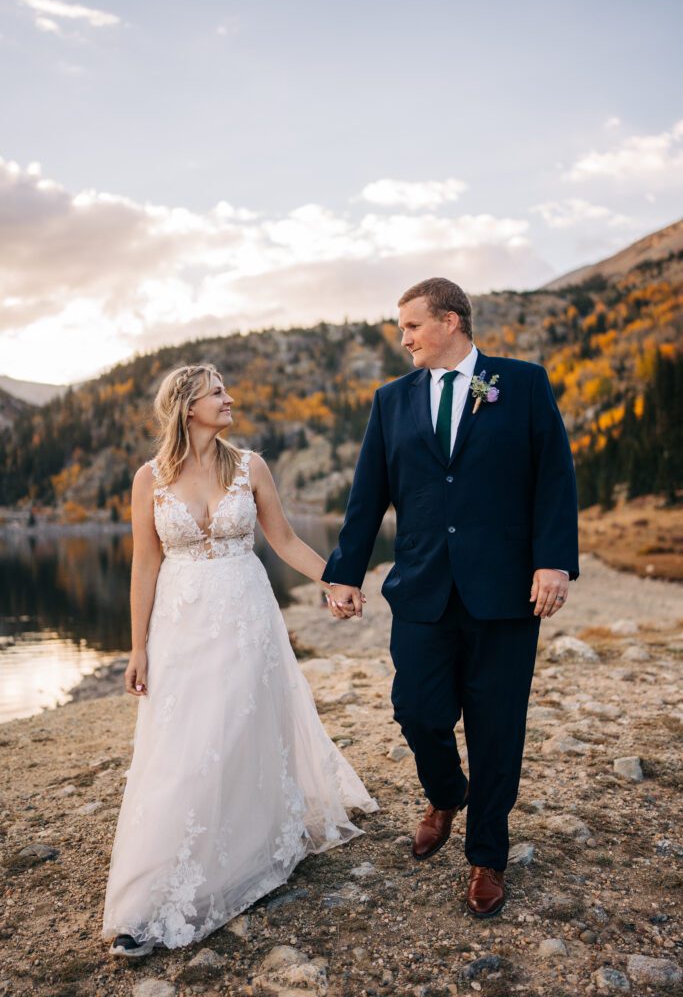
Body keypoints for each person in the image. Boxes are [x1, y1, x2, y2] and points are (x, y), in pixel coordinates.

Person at [324, 278, 579, 918]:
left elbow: (554, 476)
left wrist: (554, 561)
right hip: (421, 585)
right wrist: (344, 573)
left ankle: (486, 856)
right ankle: (445, 791)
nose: (403, 338)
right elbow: (367, 497)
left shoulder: (520, 383)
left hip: (505, 590)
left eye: (411, 325)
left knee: (498, 728)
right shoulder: (391, 401)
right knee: (416, 708)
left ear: (452, 320)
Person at [103, 364, 377, 957]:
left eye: (226, 390)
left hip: (246, 618)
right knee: (180, 748)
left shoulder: (249, 466)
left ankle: (246, 846)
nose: (231, 399)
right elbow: (144, 565)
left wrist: (336, 582)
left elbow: (282, 540)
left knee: (235, 732)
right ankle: (152, 894)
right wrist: (138, 646)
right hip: (180, 625)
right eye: (218, 393)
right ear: (185, 406)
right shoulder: (148, 479)